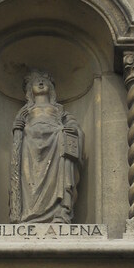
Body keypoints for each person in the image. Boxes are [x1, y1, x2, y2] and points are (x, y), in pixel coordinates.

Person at [9, 70, 84, 223]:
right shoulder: (26, 110)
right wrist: (18, 126)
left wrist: (72, 129)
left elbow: (72, 124)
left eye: (44, 81)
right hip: (30, 146)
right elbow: (18, 129)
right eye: (37, 82)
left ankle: (60, 212)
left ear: (51, 87)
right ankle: (28, 213)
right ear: (30, 90)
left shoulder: (59, 110)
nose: (41, 83)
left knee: (60, 173)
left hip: (56, 143)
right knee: (29, 179)